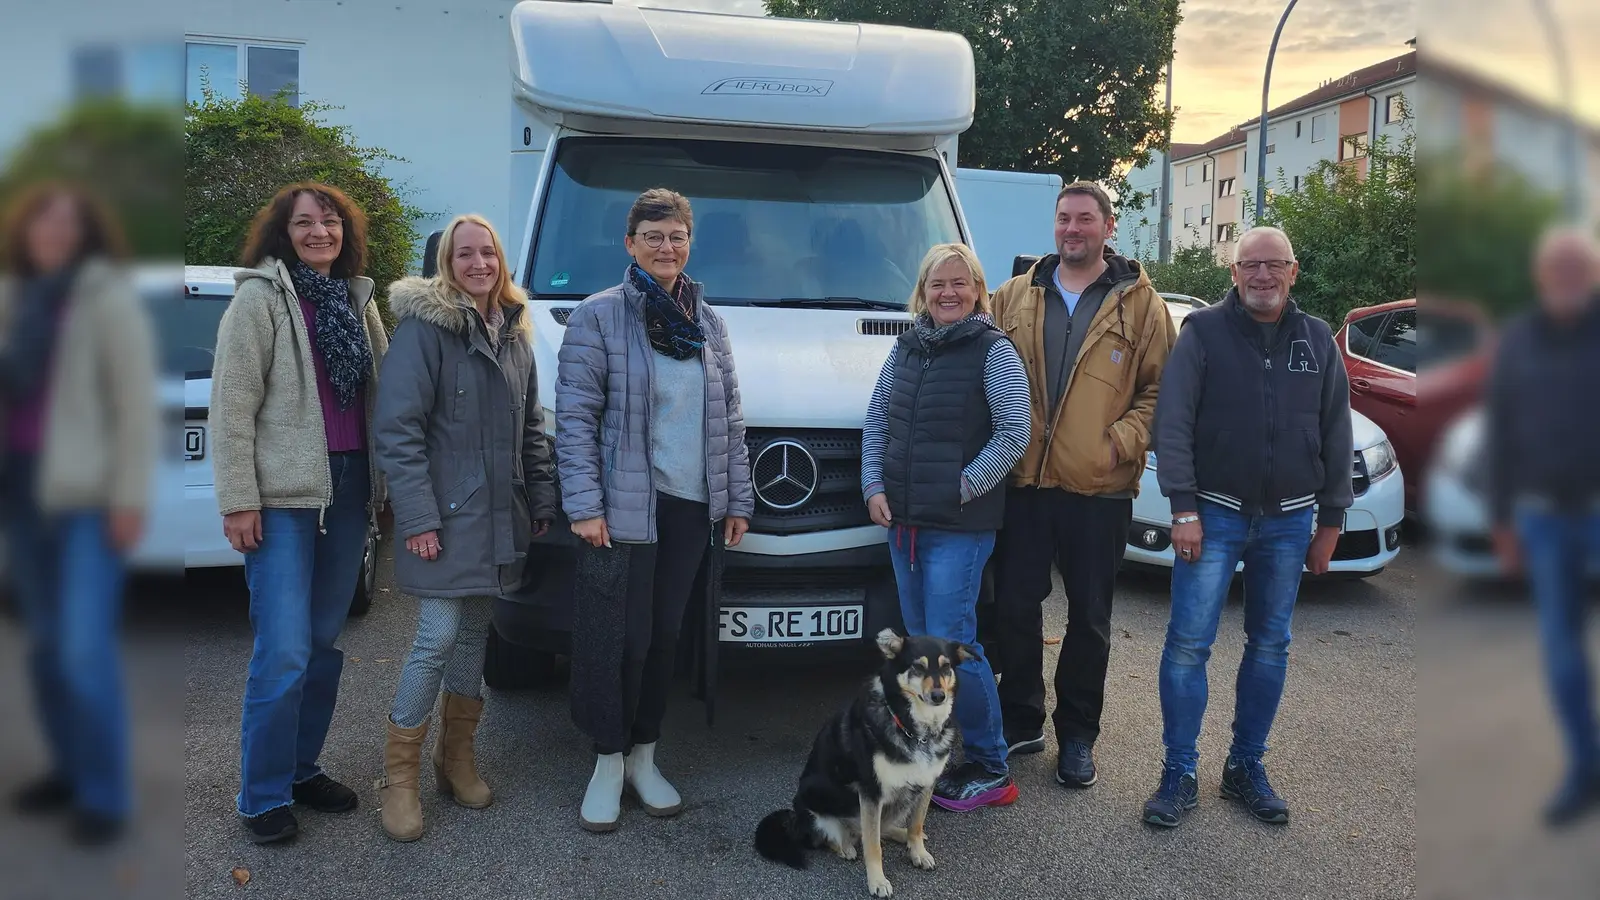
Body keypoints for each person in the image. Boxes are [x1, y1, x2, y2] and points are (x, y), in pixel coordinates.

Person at [555, 188, 753, 833]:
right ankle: (607, 761)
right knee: (624, 639)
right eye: (653, 237)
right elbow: (577, 420)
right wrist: (584, 504)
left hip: (693, 507)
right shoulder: (598, 317)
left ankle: (645, 755)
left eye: (676, 237)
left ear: (688, 243)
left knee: (667, 636)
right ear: (630, 242)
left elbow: (729, 418)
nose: (666, 248)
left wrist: (735, 497)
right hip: (623, 510)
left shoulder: (709, 322)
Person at [1143, 225, 1351, 828]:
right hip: (1211, 514)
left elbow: (1336, 430)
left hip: (1289, 522)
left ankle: (1244, 767)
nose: (1262, 275)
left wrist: (1331, 521)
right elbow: (1173, 423)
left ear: (1293, 272)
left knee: (1270, 645)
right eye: (1250, 265)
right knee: (1188, 644)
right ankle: (1179, 772)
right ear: (1232, 273)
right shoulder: (1203, 332)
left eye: (1274, 265)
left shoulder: (1317, 340)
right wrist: (1183, 507)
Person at [211, 182, 389, 844]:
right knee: (283, 650)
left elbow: (383, 394)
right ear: (282, 233)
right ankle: (260, 794)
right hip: (284, 499)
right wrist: (238, 501)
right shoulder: (258, 300)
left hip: (346, 490)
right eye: (306, 222)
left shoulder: (356, 299)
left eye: (331, 221)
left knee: (321, 644)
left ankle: (300, 769)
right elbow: (231, 407)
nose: (321, 231)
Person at [371, 214, 558, 842]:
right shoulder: (424, 331)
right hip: (445, 520)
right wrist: (418, 518)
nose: (479, 264)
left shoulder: (516, 336)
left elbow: (532, 428)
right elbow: (398, 432)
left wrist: (542, 497)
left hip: (501, 518)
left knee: (477, 632)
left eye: (489, 253)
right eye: (465, 255)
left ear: (501, 262)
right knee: (437, 635)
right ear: (446, 264)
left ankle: (457, 761)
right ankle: (399, 780)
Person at [986, 181, 1174, 788]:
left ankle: (1078, 737)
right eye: (1064, 219)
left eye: (1085, 219)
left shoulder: (1141, 306)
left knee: (1089, 618)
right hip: (1023, 481)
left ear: (1108, 227)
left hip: (1100, 488)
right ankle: (1021, 718)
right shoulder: (1013, 295)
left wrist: (1117, 442)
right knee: (1013, 606)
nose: (1072, 229)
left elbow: (1159, 391)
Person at [0, 183, 156, 846]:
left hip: (88, 500)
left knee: (86, 650)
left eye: (69, 221)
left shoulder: (104, 298)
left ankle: (104, 793)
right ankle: (66, 768)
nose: (55, 231)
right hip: (21, 495)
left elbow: (134, 407)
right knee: (43, 650)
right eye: (45, 220)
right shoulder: (9, 298)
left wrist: (129, 496)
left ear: (87, 232)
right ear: (27, 230)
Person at [860, 243, 1030, 811]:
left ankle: (990, 765)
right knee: (920, 646)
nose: (948, 293)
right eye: (938, 284)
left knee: (954, 646)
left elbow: (1013, 435)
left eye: (960, 283)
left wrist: (957, 488)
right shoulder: (906, 347)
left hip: (958, 526)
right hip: (904, 523)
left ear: (978, 290)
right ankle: (938, 751)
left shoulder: (994, 350)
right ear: (923, 292)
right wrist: (872, 486)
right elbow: (877, 420)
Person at [1487, 227, 1600, 828]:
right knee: (1561, 651)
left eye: (1577, 270)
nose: (1566, 282)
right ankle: (1585, 767)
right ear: (1541, 278)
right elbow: (1502, 431)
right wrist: (1502, 519)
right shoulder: (1520, 339)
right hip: (1545, 519)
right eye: (1556, 271)